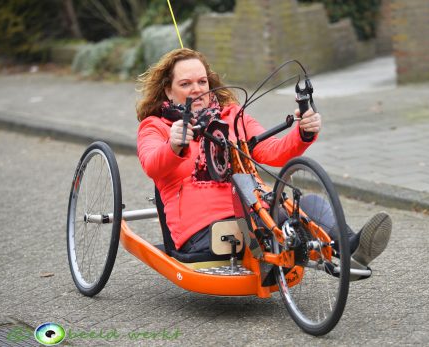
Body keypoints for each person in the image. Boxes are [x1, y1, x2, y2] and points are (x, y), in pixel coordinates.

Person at [136, 48, 391, 273]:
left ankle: (352, 250)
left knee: (309, 205)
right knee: (276, 218)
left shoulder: (231, 116)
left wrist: (303, 132)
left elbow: (270, 150)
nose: (198, 89)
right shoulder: (156, 126)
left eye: (202, 81)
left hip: (256, 211)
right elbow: (151, 163)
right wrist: (173, 145)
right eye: (186, 84)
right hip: (204, 231)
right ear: (168, 91)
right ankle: (309, 244)